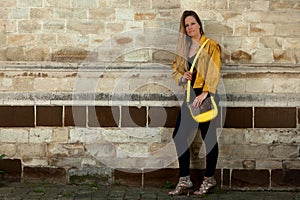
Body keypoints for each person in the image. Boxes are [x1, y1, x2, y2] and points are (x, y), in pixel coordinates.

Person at [169, 10, 222, 196]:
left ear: (199, 24)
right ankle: (185, 180)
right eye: (186, 25)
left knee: (209, 138)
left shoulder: (211, 46)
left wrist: (206, 92)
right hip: (191, 96)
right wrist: (182, 77)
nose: (190, 27)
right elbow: (175, 70)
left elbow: (214, 71)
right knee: (178, 136)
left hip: (205, 96)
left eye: (192, 23)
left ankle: (209, 179)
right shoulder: (184, 48)